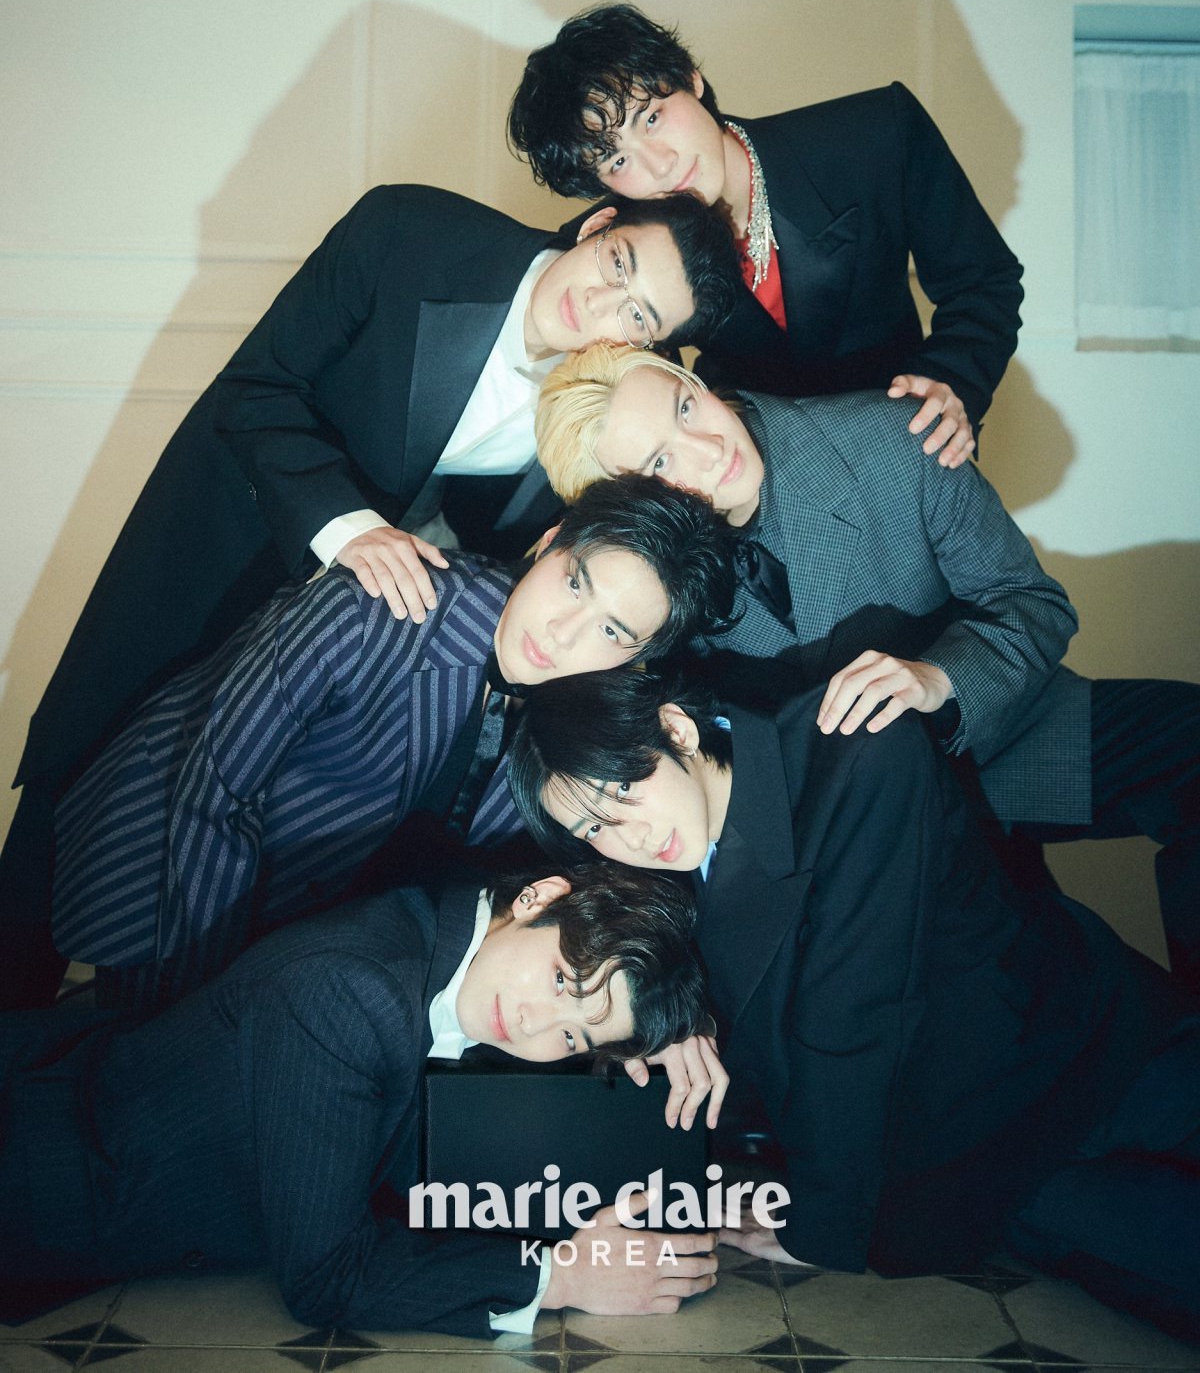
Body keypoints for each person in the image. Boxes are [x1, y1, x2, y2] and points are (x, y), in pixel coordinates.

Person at [1, 186, 741, 1008]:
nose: (603, 304)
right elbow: (254, 389)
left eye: (638, 317)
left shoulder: (585, 420)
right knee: (75, 819)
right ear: (598, 225)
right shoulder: (410, 232)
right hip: (217, 571)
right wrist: (348, 531)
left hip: (358, 656)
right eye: (617, 263)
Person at [506, 667, 1200, 1342]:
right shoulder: (662, 862)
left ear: (676, 730)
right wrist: (671, 1018)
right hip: (981, 1147)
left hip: (1095, 1049)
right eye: (593, 827)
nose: (629, 837)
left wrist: (817, 1226)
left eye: (624, 789)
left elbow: (852, 1017)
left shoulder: (856, 751)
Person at [535, 345, 1200, 990]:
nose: (709, 448)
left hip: (1001, 743)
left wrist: (939, 678)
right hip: (858, 842)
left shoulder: (896, 436)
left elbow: (1032, 603)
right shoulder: (644, 587)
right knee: (1048, 995)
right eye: (660, 462)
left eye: (685, 407)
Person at [50, 476, 739, 1012]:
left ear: (637, 662)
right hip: (159, 869)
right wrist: (204, 1003)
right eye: (574, 582)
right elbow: (212, 793)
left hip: (318, 924)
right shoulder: (375, 606)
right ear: (550, 541)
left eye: (612, 631)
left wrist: (665, 1017)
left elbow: (618, 865)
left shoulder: (580, 731)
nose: (562, 633)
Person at [0, 861, 723, 1338]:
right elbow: (326, 1282)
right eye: (563, 980)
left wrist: (697, 1198)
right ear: (538, 898)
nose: (537, 1024)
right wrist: (561, 1277)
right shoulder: (349, 994)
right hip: (37, 1169)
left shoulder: (452, 943)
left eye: (572, 1036)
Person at [509, 1, 1023, 464]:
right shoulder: (606, 247)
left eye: (652, 118)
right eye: (617, 160)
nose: (660, 165)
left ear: (689, 77)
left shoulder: (877, 134)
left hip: (905, 443)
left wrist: (950, 382)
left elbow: (983, 283)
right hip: (750, 475)